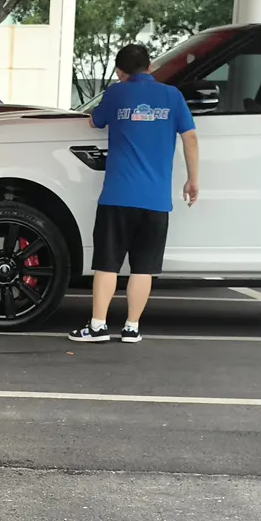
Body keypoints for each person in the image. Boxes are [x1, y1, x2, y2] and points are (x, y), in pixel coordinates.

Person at [69, 43, 199, 344]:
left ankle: (98, 326)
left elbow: (94, 121)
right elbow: (190, 138)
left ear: (120, 71)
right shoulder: (172, 96)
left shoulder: (117, 93)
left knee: (107, 263)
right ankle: (131, 327)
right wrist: (193, 180)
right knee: (144, 268)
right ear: (150, 67)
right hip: (156, 201)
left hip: (117, 196)